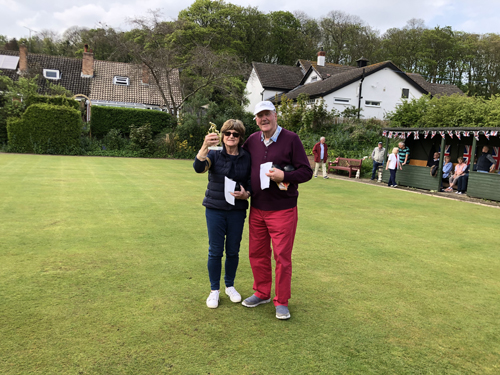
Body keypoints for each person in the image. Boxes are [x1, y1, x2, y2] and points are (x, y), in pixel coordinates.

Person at [241, 101, 313, 320]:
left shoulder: (291, 139)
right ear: (255, 119)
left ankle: (281, 301)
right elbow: (242, 165)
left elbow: (306, 172)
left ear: (275, 115)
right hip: (257, 208)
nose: (263, 119)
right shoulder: (252, 140)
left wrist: (285, 176)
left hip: (283, 209)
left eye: (267, 114)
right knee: (257, 253)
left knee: (282, 257)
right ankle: (262, 292)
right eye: (259, 115)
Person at [193, 119, 252, 309]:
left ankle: (230, 285)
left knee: (233, 250)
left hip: (237, 209)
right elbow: (198, 168)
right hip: (215, 209)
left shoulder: (246, 156)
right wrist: (204, 145)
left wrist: (247, 194)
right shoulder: (214, 154)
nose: (231, 137)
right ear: (222, 136)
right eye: (227, 133)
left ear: (240, 137)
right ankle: (214, 290)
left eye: (235, 134)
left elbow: (251, 181)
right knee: (215, 251)